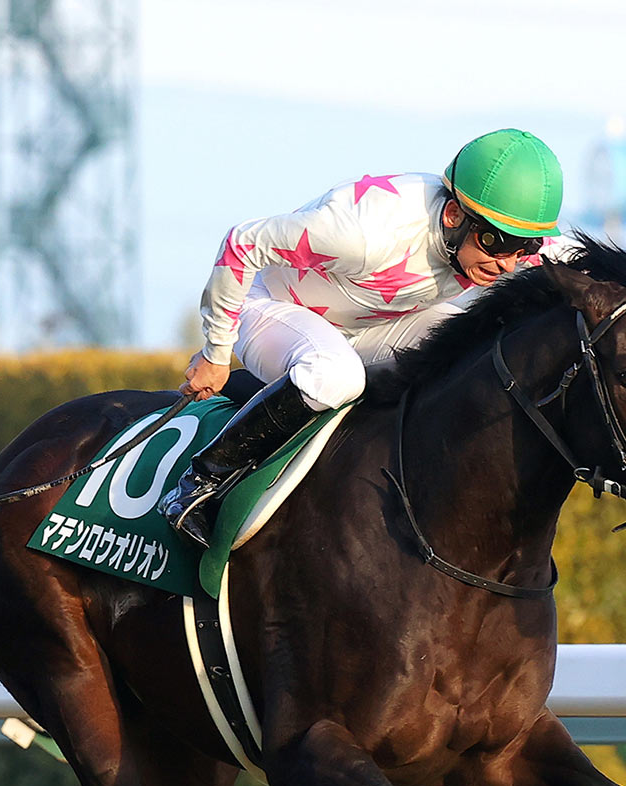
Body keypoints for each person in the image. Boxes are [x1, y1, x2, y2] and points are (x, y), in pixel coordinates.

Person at [160, 128, 567, 547]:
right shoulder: (363, 234)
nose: (508, 264)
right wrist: (216, 352)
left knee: (474, 348)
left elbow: (579, 263)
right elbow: (242, 243)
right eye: (496, 243)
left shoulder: (492, 242)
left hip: (367, 325)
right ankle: (200, 482)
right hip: (271, 306)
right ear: (452, 215)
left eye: (523, 247)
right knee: (336, 375)